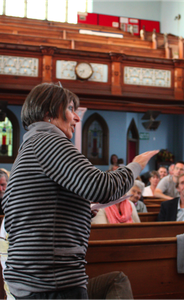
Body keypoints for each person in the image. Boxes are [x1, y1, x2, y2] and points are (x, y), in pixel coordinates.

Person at [0, 83, 158, 300]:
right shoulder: (48, 140)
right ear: (49, 113)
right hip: (51, 283)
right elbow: (102, 187)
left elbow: (31, 212)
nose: (76, 118)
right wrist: (136, 165)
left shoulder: (27, 148)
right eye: (70, 109)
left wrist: (81, 209)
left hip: (34, 281)